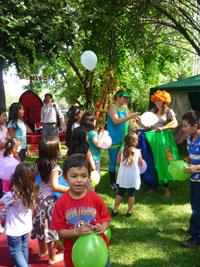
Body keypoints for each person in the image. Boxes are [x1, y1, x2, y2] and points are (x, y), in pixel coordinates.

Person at [51, 154, 111, 267]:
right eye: (74, 176)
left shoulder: (95, 198)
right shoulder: (61, 203)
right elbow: (60, 232)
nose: (79, 180)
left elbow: (106, 219)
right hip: (74, 256)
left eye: (83, 176)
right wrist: (77, 232)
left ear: (89, 178)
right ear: (65, 178)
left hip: (98, 252)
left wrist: (102, 226)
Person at [31, 136, 68, 264]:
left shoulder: (37, 163)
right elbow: (55, 186)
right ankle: (52, 257)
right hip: (50, 203)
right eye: (59, 146)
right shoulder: (54, 167)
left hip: (39, 200)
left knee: (41, 227)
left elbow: (34, 180)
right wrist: (72, 190)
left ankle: (42, 250)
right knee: (51, 230)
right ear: (54, 151)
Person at [0, 163, 38, 267]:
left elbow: (1, 202)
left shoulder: (13, 195)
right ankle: (25, 264)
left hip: (15, 228)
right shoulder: (32, 191)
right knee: (24, 247)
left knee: (15, 251)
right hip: (26, 226)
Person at [146, 90, 179, 197]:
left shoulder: (169, 111)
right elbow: (147, 125)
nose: (157, 102)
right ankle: (152, 185)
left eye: (159, 100)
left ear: (164, 101)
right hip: (152, 140)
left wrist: (164, 127)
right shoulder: (152, 111)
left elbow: (175, 123)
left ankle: (166, 187)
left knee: (164, 162)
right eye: (156, 100)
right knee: (152, 161)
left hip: (164, 141)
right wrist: (146, 126)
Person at [107, 89, 138, 190]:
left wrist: (133, 126)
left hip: (123, 138)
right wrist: (130, 117)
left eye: (127, 98)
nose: (126, 99)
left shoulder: (124, 107)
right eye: (125, 97)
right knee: (113, 160)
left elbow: (127, 122)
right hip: (113, 139)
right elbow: (116, 121)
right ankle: (112, 182)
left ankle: (120, 180)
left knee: (122, 160)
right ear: (118, 97)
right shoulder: (112, 107)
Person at [111, 133, 144, 217]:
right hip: (133, 177)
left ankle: (114, 210)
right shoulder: (138, 152)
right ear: (136, 142)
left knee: (120, 193)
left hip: (123, 176)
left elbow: (118, 162)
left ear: (125, 141)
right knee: (131, 194)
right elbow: (141, 163)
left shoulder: (121, 150)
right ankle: (129, 211)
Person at [181, 110, 200, 248]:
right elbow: (191, 155)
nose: (183, 129)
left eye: (186, 126)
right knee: (194, 205)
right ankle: (195, 229)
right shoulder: (189, 139)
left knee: (197, 209)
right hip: (194, 179)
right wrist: (185, 161)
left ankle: (196, 237)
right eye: (183, 126)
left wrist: (196, 168)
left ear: (195, 126)